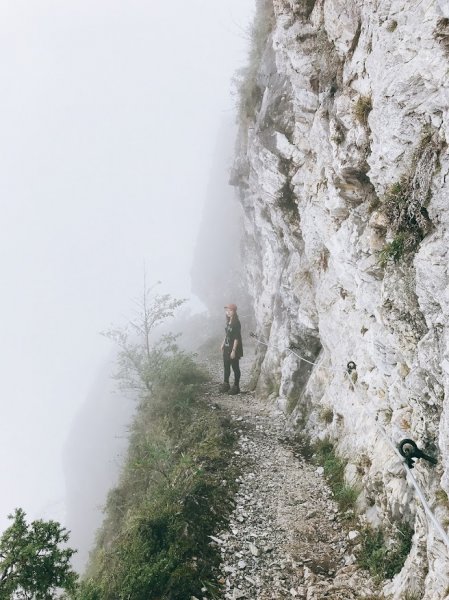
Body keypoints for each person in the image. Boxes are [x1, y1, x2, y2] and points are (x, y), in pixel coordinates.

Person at [220, 303, 243, 395]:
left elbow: (237, 338)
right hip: (226, 346)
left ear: (234, 311)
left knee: (235, 367)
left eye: (230, 310)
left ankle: (236, 387)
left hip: (233, 347)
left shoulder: (236, 323)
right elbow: (227, 334)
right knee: (226, 366)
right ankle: (226, 384)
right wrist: (222, 343)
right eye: (227, 311)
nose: (228, 312)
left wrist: (233, 351)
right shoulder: (228, 321)